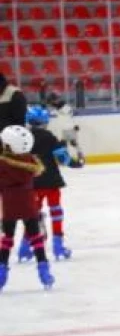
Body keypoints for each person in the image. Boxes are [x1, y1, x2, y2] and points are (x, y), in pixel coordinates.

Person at [19, 105, 81, 262]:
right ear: (45, 122)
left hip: (31, 184)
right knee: (56, 213)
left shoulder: (23, 139)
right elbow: (63, 159)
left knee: (33, 216)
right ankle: (58, 247)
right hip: (51, 182)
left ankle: (25, 248)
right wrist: (76, 163)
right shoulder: (49, 137)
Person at [0, 125, 54, 290]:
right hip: (29, 204)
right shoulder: (30, 160)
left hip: (10, 205)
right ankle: (43, 270)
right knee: (36, 237)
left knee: (7, 239)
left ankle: (1, 272)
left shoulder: (3, 164)